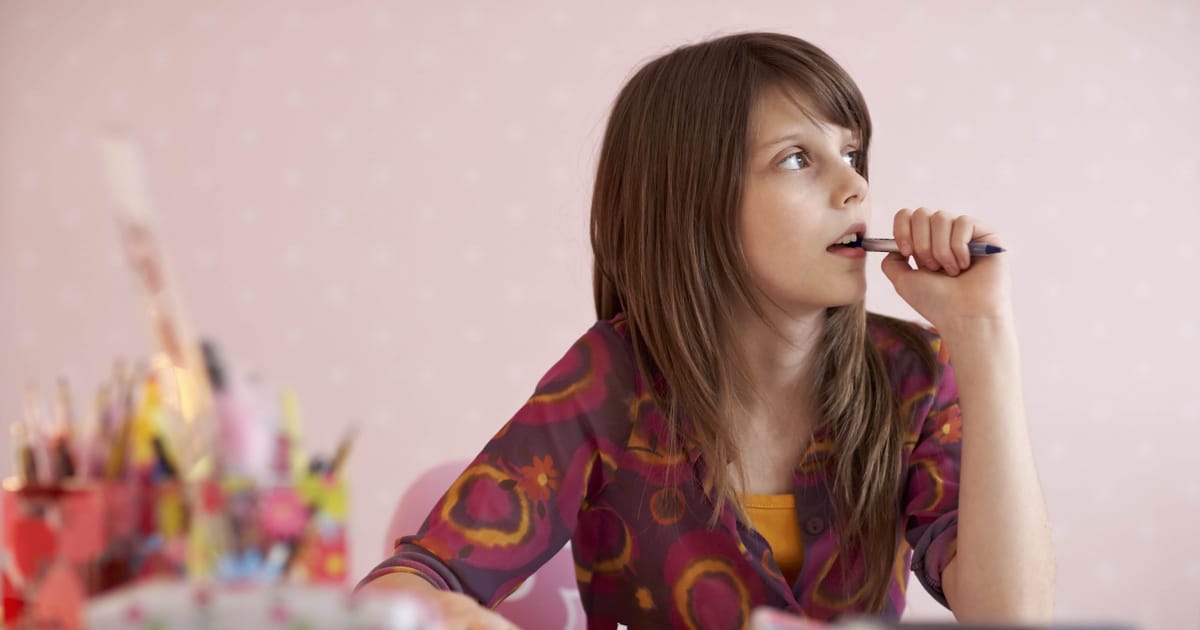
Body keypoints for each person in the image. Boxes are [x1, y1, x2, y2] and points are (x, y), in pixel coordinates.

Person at [357, 32, 1054, 629]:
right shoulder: (610, 382)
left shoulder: (916, 373)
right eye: (796, 159)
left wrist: (983, 333)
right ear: (696, 204)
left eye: (853, 155)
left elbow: (1009, 618)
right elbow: (408, 586)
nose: (855, 189)